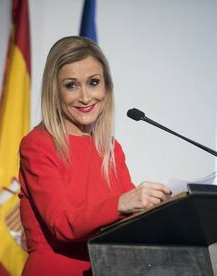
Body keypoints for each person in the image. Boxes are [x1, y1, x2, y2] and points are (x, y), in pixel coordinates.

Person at [19, 36, 171, 275]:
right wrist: (124, 203)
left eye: (93, 82)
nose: (85, 97)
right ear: (54, 91)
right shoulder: (37, 145)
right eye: (71, 85)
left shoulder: (110, 148)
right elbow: (63, 225)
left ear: (106, 87)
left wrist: (166, 208)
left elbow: (127, 222)